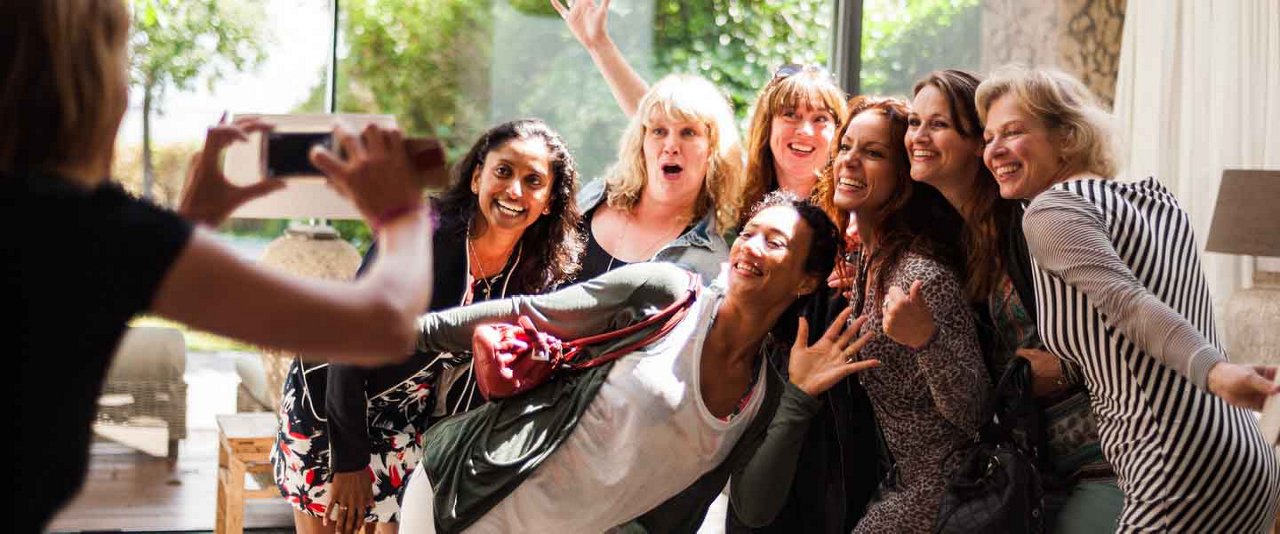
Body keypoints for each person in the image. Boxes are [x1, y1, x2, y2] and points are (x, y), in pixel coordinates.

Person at [3, 2, 439, 531]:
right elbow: (382, 324)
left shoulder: (84, 235)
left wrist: (193, 222)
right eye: (123, 57)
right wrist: (405, 214)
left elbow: (100, 288)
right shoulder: (92, 231)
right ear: (87, 81)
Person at [395, 192, 880, 533]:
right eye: (749, 232)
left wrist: (798, 399)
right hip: (472, 492)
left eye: (774, 243)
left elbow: (754, 509)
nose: (750, 247)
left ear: (806, 281)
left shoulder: (763, 398)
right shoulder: (667, 293)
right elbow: (530, 313)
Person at [977, 64, 1280, 532]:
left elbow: (1129, 305)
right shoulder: (1158, 199)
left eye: (1013, 132)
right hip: (1245, 455)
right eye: (988, 136)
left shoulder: (1050, 210)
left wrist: (1217, 373)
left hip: (1172, 466)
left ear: (1067, 136)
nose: (993, 150)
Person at [271, 119, 583, 534]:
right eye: (503, 171)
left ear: (548, 201)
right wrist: (350, 462)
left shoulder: (538, 273)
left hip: (410, 420)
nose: (514, 191)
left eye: (533, 181)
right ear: (477, 178)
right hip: (331, 402)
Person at [731, 96, 988, 533]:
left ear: (904, 172)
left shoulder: (918, 273)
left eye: (873, 153)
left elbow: (977, 413)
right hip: (891, 484)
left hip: (938, 491)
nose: (849, 161)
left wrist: (926, 340)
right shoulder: (867, 264)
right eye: (846, 147)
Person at [907, 69, 1120, 531]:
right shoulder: (961, 239)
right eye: (913, 122)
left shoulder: (1034, 217)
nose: (919, 136)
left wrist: (1063, 369)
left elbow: (1123, 325)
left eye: (938, 124)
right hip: (1042, 468)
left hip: (1106, 461)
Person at [552, 0, 846, 214]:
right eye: (790, 115)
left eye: (820, 119)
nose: (805, 130)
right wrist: (598, 44)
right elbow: (661, 117)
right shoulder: (740, 191)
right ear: (768, 125)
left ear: (839, 133)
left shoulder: (854, 209)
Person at [572, 74, 744, 283]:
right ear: (641, 142)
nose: (671, 146)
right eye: (659, 131)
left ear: (713, 149)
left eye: (688, 132)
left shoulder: (711, 265)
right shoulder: (594, 196)